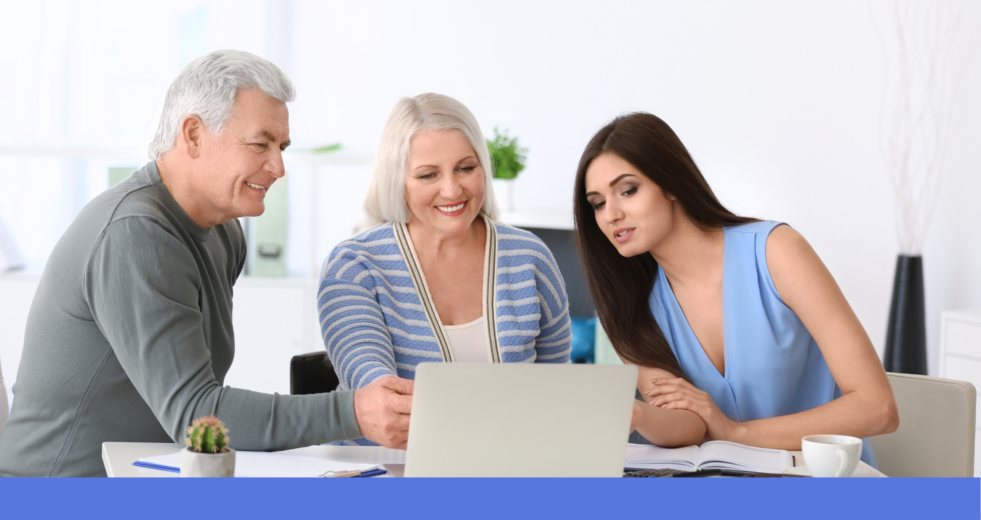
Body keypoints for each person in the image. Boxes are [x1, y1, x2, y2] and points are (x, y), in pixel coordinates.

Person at [0, 50, 412, 478]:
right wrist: (353, 412)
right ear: (193, 135)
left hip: (147, 476)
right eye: (259, 143)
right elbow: (196, 414)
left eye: (281, 147)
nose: (279, 166)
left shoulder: (225, 232)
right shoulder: (136, 234)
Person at [573, 112, 898, 466]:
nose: (610, 215)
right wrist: (634, 413)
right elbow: (689, 424)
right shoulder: (628, 307)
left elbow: (877, 407)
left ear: (670, 184)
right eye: (598, 203)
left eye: (628, 190)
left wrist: (735, 434)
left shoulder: (777, 252)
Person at [318, 93, 572, 444]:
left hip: (509, 468)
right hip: (382, 471)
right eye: (428, 175)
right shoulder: (354, 267)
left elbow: (556, 393)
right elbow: (379, 397)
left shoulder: (530, 258)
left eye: (466, 168)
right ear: (398, 181)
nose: (452, 189)